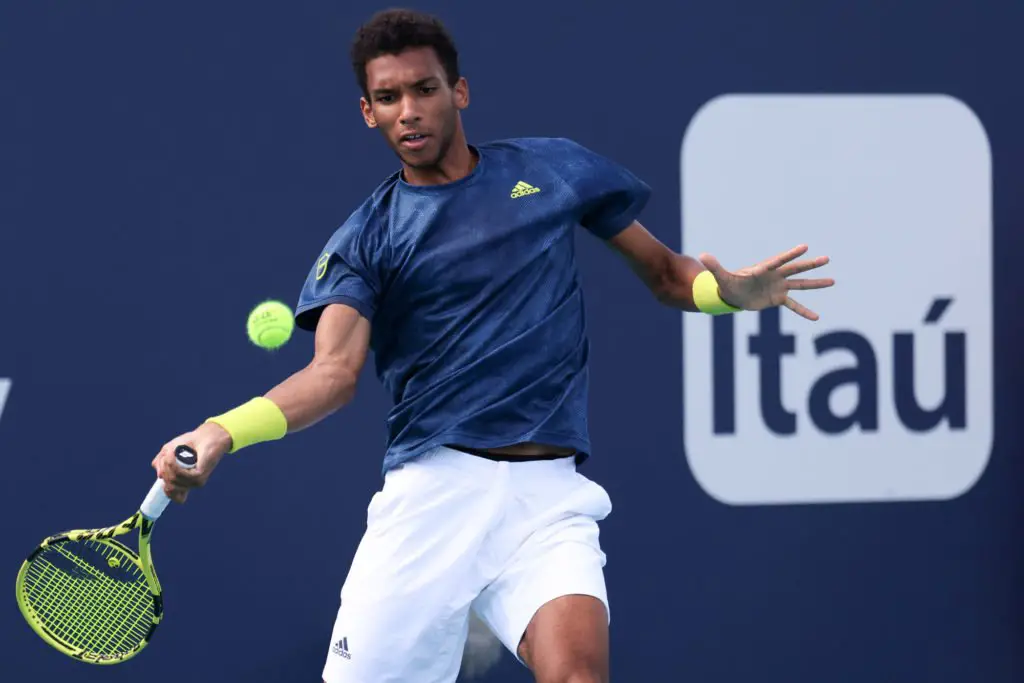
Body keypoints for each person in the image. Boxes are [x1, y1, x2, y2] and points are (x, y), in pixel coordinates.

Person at [151, 8, 834, 683]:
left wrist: (727, 293)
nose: (408, 112)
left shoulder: (552, 169)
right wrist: (222, 431)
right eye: (388, 98)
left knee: (578, 675)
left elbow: (665, 273)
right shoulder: (366, 239)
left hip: (547, 496)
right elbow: (332, 373)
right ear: (368, 112)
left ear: (459, 91)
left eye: (424, 89)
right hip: (433, 500)